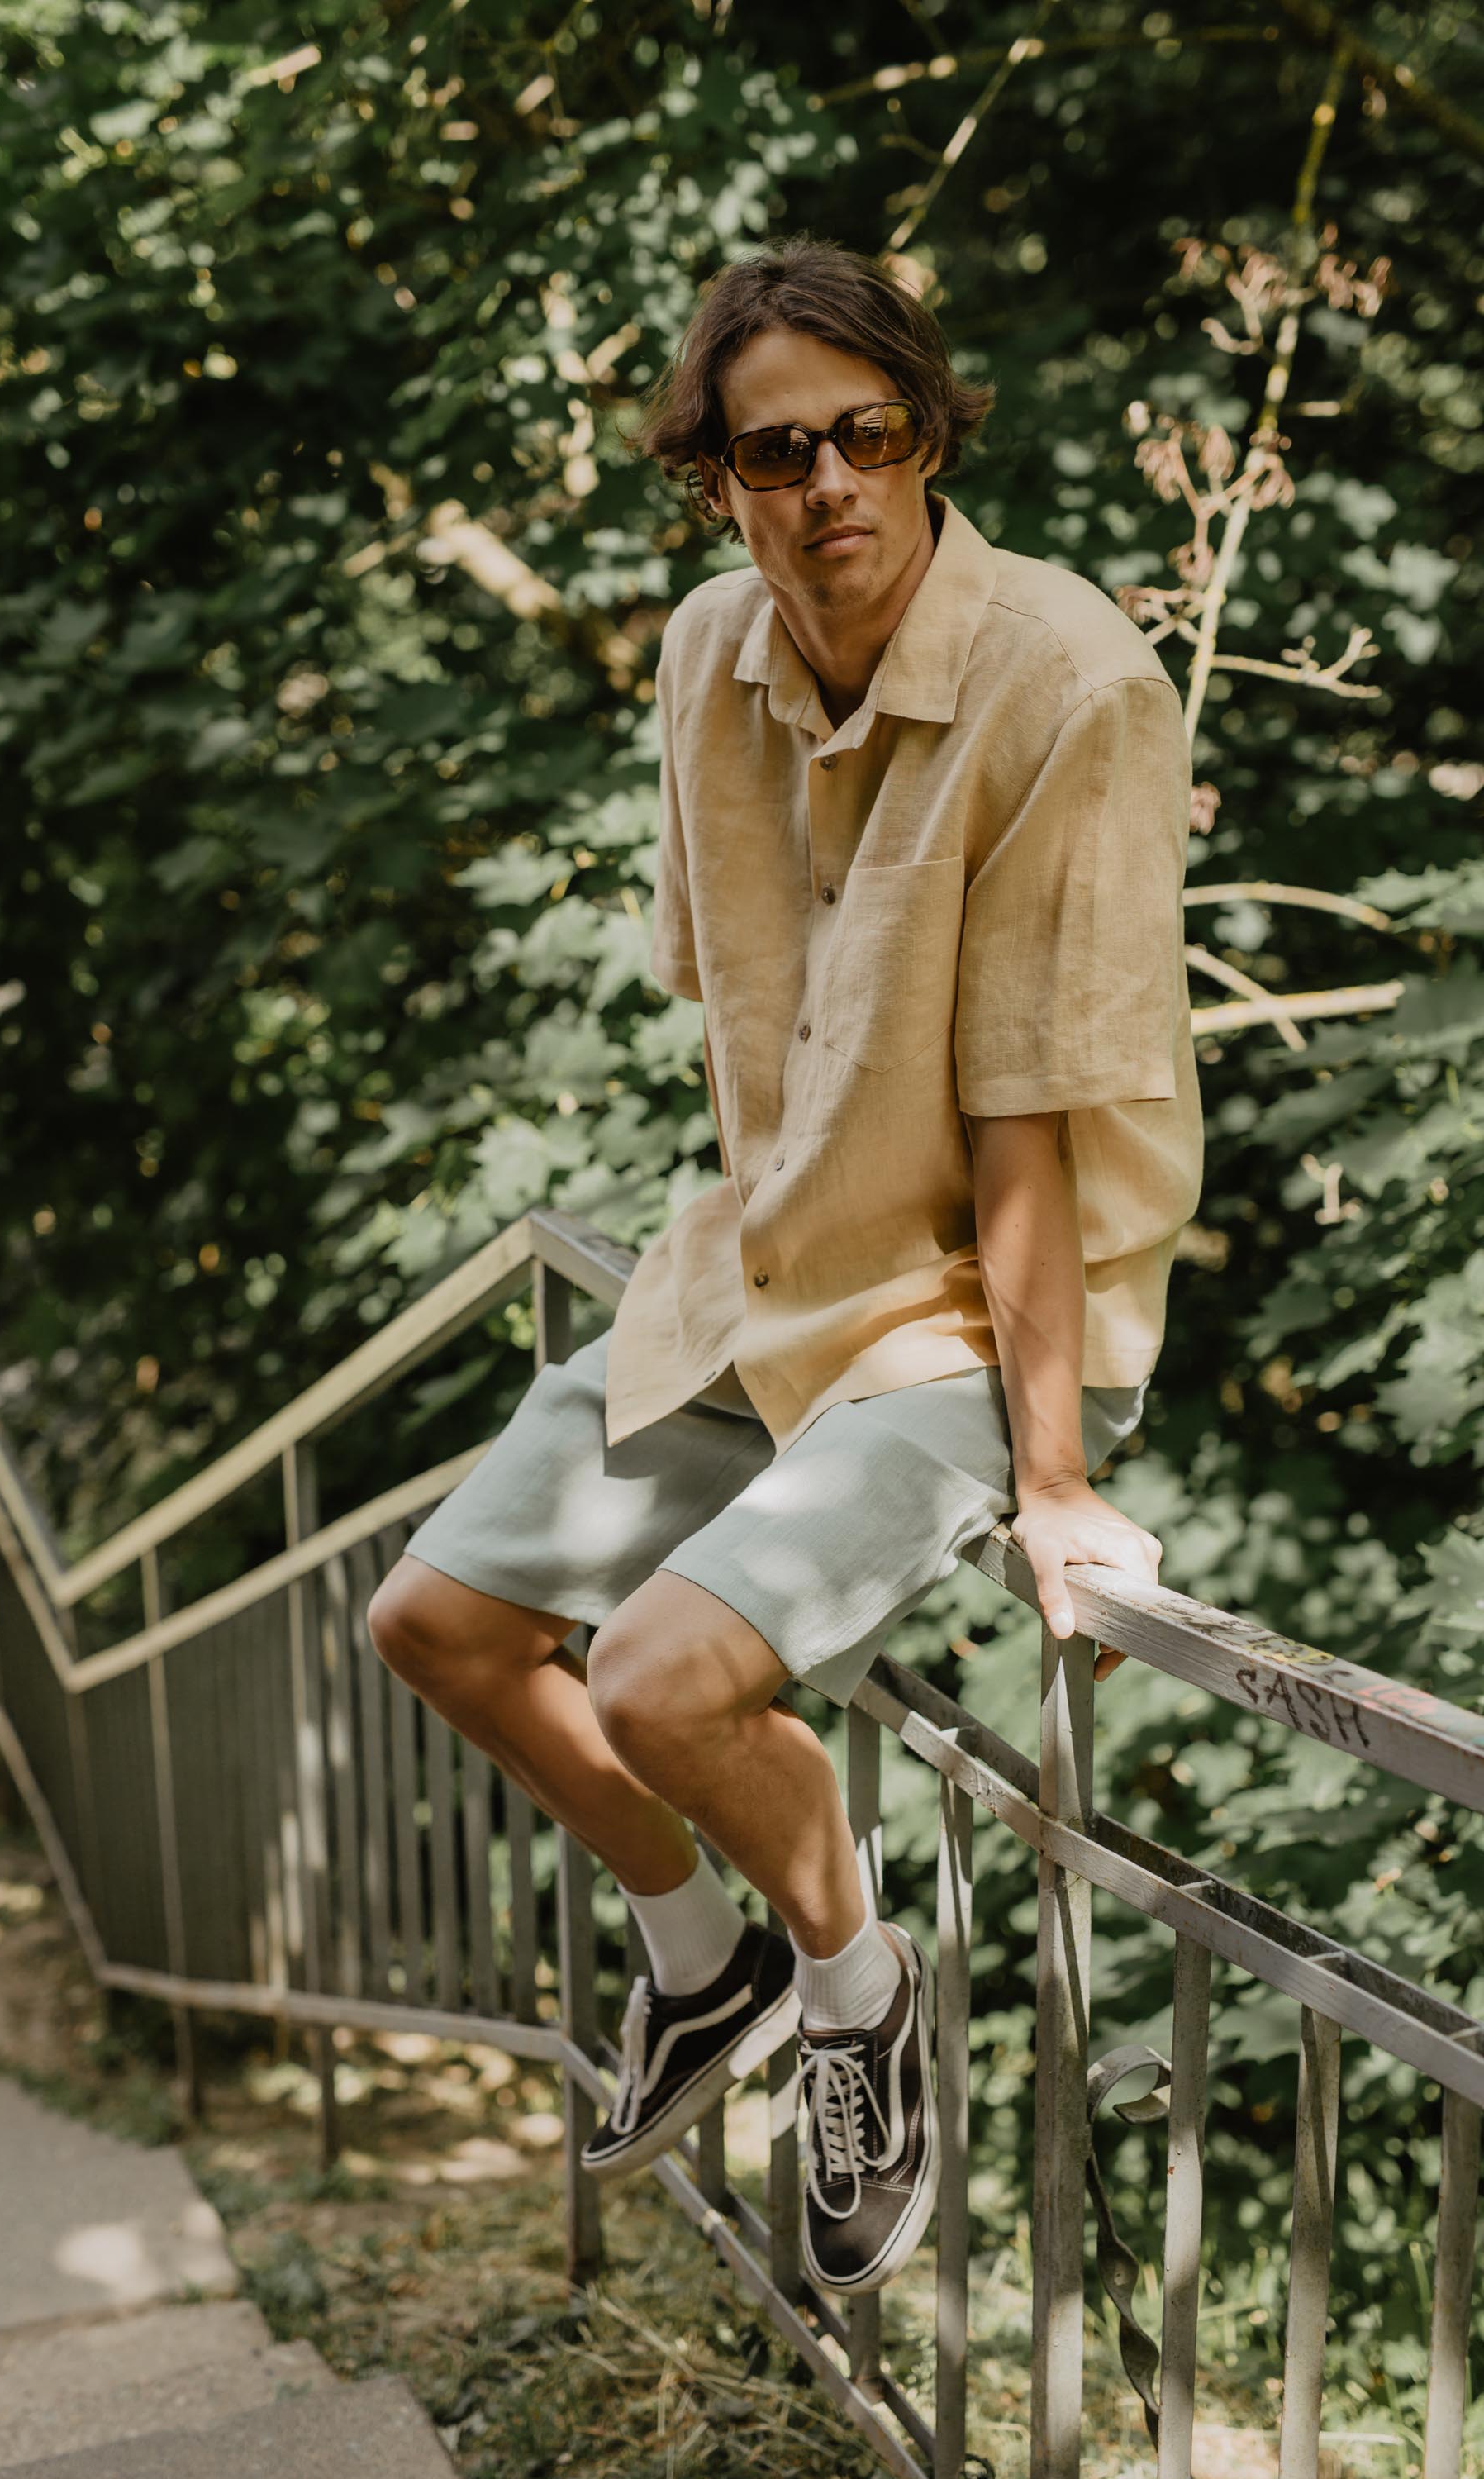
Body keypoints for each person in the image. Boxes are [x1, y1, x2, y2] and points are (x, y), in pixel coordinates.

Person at [368, 233, 1203, 2299]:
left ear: (929, 436)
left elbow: (1027, 1119)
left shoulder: (1066, 677)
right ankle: (701, 1956)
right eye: (776, 452)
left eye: (871, 435)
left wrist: (1059, 1480)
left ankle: (856, 1987)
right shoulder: (703, 656)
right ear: (716, 479)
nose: (828, 485)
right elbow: (753, 1018)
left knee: (655, 1677)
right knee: (435, 1626)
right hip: (762, 1276)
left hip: (973, 1315)